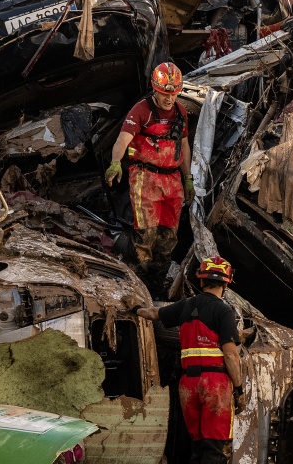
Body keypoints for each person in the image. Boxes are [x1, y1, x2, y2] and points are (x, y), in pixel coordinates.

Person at [137, 256, 247, 464]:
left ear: (202, 281)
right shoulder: (224, 311)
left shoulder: (185, 306)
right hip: (215, 385)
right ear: (226, 284)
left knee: (197, 446)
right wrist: (239, 388)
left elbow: (152, 313)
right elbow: (231, 354)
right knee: (216, 447)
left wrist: (135, 309)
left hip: (187, 385)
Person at [105, 62, 195, 281]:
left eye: (173, 94)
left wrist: (188, 178)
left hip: (172, 180)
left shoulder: (180, 111)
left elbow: (183, 145)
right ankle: (138, 278)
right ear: (155, 89)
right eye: (165, 93)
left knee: (168, 235)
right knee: (146, 232)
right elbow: (122, 139)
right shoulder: (141, 111)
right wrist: (116, 162)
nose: (169, 99)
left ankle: (157, 279)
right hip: (146, 177)